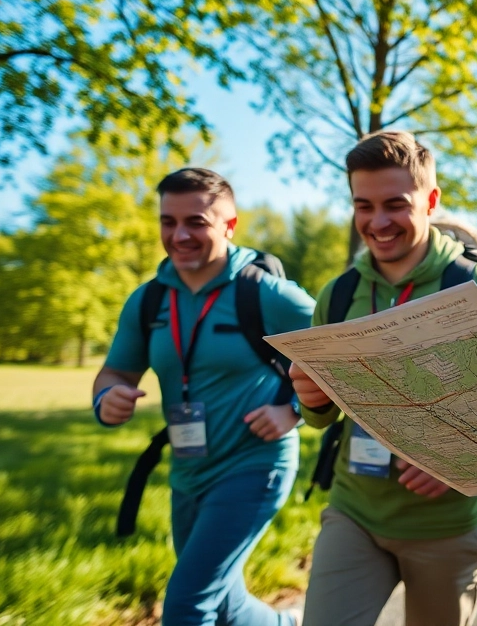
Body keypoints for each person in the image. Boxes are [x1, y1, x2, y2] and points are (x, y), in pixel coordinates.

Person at [289, 132, 477, 626]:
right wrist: (311, 399)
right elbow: (321, 418)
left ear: (431, 201)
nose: (378, 222)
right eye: (363, 206)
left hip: (447, 525)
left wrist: (458, 463)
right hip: (355, 512)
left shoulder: (476, 288)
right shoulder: (338, 294)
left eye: (395, 204)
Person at [93, 168, 315, 626]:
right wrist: (107, 397)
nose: (179, 235)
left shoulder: (267, 294)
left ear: (229, 225)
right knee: (225, 602)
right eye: (168, 222)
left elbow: (345, 358)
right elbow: (113, 372)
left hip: (255, 466)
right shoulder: (147, 301)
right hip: (188, 473)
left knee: (186, 604)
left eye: (196, 222)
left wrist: (293, 409)